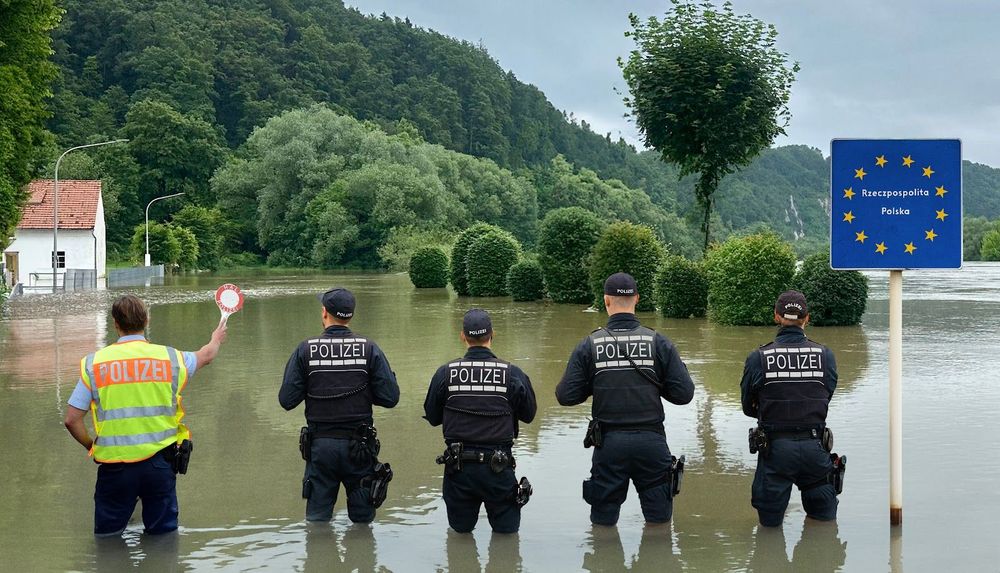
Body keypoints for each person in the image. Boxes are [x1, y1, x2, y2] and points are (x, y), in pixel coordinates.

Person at [63, 294, 227, 537]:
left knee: (108, 539)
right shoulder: (171, 359)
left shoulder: (94, 364)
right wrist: (216, 338)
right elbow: (207, 355)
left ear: (115, 323)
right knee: (163, 538)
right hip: (160, 465)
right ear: (146, 320)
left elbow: (71, 419)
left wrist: (93, 447)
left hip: (114, 467)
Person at [556, 272, 695, 526]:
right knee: (659, 523)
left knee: (603, 523)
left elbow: (566, 396)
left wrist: (595, 380)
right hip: (652, 443)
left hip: (608, 445)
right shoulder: (659, 342)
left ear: (606, 301)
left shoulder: (589, 344)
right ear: (637, 299)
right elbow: (684, 394)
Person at [280, 287, 400, 523]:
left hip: (320, 449)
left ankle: (320, 558)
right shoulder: (369, 348)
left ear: (324, 312)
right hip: (360, 449)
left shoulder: (305, 350)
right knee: (363, 522)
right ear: (351, 315)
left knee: (317, 522)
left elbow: (287, 400)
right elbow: (390, 397)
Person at [423, 309, 537, 533]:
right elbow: (529, 415)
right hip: (499, 469)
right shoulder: (512, 374)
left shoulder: (445, 373)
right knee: (506, 538)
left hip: (458, 470)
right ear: (492, 334)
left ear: (463, 336)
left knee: (460, 534)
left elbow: (433, 418)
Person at [740, 290, 840, 527]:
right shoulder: (825, 355)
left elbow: (747, 406)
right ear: (807, 318)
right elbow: (826, 396)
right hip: (815, 448)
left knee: (769, 528)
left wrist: (772, 411)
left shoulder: (759, 357)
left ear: (776, 316)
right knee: (823, 524)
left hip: (775, 451)